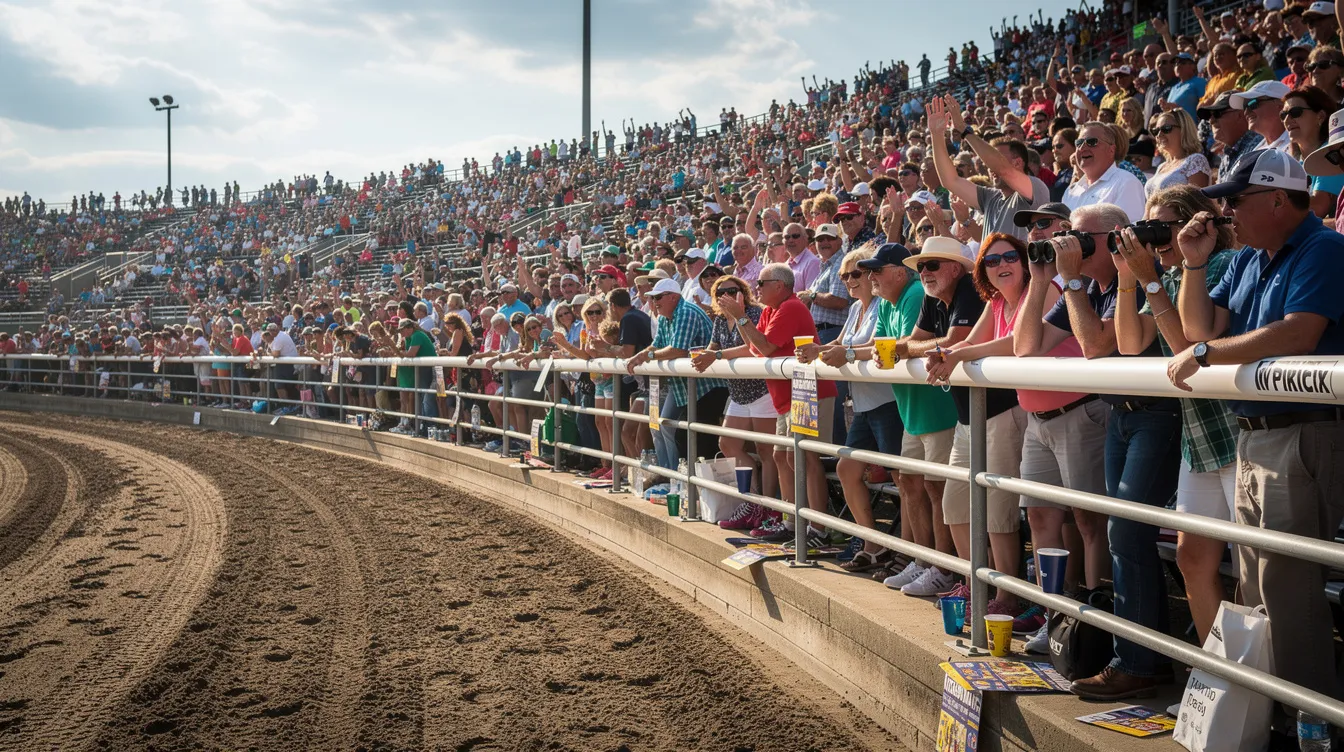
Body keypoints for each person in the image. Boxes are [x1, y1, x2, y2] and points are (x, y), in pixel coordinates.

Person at [1173, 149, 1344, 713]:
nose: (1225, 216)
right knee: (1259, 586)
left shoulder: (1324, 247)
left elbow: (1298, 333)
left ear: (1276, 199)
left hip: (1303, 430)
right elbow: (1198, 329)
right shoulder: (1249, 258)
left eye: (1234, 203)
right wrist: (1195, 265)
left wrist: (1204, 352)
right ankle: (1278, 715)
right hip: (1257, 433)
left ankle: (1312, 723)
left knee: (1286, 590)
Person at [1110, 185, 1239, 649]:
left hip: (1235, 430)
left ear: (1193, 223)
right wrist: (1129, 275)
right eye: (1149, 226)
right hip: (1199, 437)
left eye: (1163, 225)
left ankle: (1263, 694)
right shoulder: (1162, 277)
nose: (1155, 236)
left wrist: (1151, 281)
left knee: (1252, 569)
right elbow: (1128, 342)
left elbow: (1189, 347)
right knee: (1193, 559)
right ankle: (1217, 676)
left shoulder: (1217, 266)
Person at [1010, 204, 1116, 654]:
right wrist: (1038, 281)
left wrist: (1067, 278)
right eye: (1068, 235)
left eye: (1081, 236)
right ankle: (1054, 619)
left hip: (1083, 413)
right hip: (1040, 422)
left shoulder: (1107, 285)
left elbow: (1095, 343)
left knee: (1091, 522)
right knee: (1039, 517)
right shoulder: (1077, 285)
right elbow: (1024, 347)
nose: (1069, 244)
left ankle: (1096, 628)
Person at [922, 234, 1030, 616]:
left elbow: (1001, 342)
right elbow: (965, 342)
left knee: (1000, 513)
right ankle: (974, 585)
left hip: (1001, 412)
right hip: (969, 418)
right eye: (991, 260)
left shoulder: (978, 291)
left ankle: (1007, 598)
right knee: (955, 504)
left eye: (931, 265)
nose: (924, 272)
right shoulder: (990, 299)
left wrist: (951, 353)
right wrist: (949, 353)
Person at [711, 263, 837, 547]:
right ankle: (792, 521)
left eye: (761, 283)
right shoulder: (771, 310)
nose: (756, 288)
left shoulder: (791, 307)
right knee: (784, 457)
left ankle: (818, 529)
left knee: (806, 458)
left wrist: (741, 317)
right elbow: (757, 349)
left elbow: (765, 348)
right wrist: (740, 319)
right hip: (788, 396)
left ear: (779, 285)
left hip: (808, 393)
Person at [800, 245, 901, 573]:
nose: (851, 280)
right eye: (845, 275)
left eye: (856, 273)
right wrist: (817, 349)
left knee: (904, 481)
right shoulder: (857, 309)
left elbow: (867, 347)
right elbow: (841, 344)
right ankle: (874, 543)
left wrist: (839, 351)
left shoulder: (881, 306)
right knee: (847, 469)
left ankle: (907, 553)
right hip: (865, 404)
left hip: (887, 402)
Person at [691, 275, 779, 529]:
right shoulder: (719, 320)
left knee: (767, 450)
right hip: (739, 391)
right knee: (727, 443)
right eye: (720, 292)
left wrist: (714, 355)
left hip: (762, 388)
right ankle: (752, 499)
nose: (726, 296)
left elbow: (753, 347)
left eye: (732, 290)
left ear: (744, 292)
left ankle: (769, 506)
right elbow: (712, 346)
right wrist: (702, 354)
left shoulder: (755, 312)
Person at [624, 278, 729, 475]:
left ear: (674, 297)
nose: (654, 302)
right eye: (653, 298)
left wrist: (647, 355)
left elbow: (679, 350)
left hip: (708, 386)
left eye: (658, 297)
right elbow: (658, 345)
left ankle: (683, 479)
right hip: (685, 385)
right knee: (662, 427)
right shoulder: (666, 316)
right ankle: (670, 475)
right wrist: (641, 355)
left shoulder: (686, 312)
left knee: (693, 436)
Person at [928, 94, 1049, 243]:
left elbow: (1003, 169)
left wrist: (964, 130)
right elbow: (950, 181)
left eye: (993, 159)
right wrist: (936, 134)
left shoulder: (1035, 188)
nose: (989, 166)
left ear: (1018, 163)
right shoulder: (990, 197)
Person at [1062, 122, 1146, 221]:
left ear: (1111, 150)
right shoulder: (1071, 191)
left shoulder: (1126, 182)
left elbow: (1127, 230)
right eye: (1079, 143)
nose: (1082, 147)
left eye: (1091, 142)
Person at [1281, 86, 1344, 217]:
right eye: (1283, 115)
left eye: (1296, 112)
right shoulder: (1294, 163)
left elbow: (1318, 207)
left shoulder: (1336, 152)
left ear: (1320, 116)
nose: (1287, 120)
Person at [1145, 109, 1211, 196]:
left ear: (1184, 129)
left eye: (1166, 128)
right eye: (1156, 131)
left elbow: (1196, 203)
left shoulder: (1196, 160)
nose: (1159, 134)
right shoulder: (1161, 166)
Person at [1200, 92, 1264, 179]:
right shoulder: (1227, 155)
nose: (1211, 121)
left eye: (1217, 114)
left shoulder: (1259, 147)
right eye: (1209, 116)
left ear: (1240, 114)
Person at [1231, 80, 1292, 152]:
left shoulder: (1300, 142)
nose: (1246, 112)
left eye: (1252, 104)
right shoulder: (1254, 152)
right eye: (1245, 107)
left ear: (1281, 106)